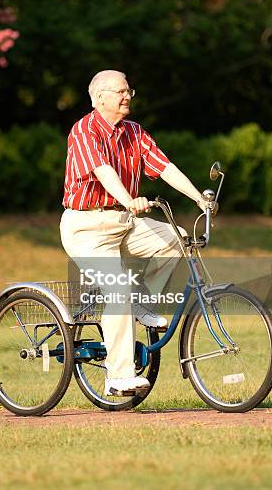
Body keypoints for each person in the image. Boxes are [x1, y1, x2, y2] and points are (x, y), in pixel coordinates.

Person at [60, 70, 211, 396]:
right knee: (117, 291)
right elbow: (103, 172)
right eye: (120, 91)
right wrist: (129, 200)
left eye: (129, 91)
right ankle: (118, 377)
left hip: (124, 223)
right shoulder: (84, 131)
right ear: (100, 97)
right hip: (87, 228)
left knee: (178, 238)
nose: (127, 96)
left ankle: (142, 300)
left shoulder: (134, 132)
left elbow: (165, 166)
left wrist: (199, 197)